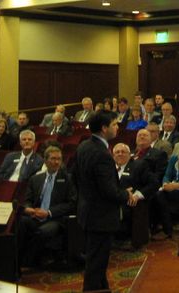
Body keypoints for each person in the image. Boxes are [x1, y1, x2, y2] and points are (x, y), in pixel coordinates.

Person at [73, 111, 140, 291]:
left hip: (87, 211)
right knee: (96, 264)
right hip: (100, 216)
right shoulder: (101, 154)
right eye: (114, 124)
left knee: (97, 262)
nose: (117, 127)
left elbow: (76, 178)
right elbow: (108, 191)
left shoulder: (83, 146)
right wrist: (126, 194)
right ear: (104, 128)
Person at [114, 143, 157, 239]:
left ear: (130, 155)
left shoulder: (139, 166)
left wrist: (137, 195)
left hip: (130, 203)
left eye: (123, 152)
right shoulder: (109, 168)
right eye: (117, 152)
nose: (120, 154)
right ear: (113, 156)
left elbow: (153, 183)